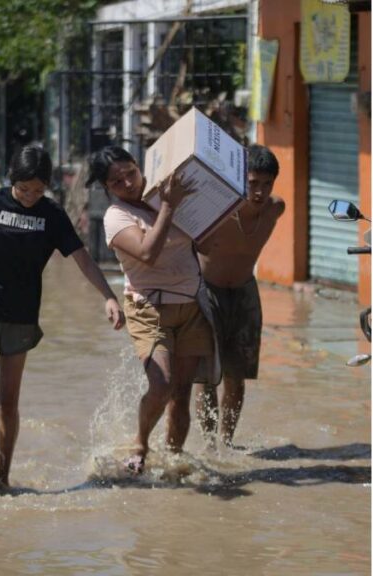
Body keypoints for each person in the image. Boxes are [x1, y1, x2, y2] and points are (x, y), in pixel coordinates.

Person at [0, 144, 125, 488]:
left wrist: (108, 296)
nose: (30, 196)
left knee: (9, 401)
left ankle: (3, 475)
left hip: (21, 315)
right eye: (23, 188)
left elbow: (83, 260)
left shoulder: (52, 215)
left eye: (38, 190)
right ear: (11, 180)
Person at [89, 145, 214, 474]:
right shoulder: (117, 217)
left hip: (190, 306)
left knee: (181, 395)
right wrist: (170, 208)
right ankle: (140, 443)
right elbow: (148, 253)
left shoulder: (165, 196)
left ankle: (173, 462)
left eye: (131, 172)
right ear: (107, 189)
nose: (128, 183)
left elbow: (204, 240)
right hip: (148, 308)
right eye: (117, 182)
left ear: (139, 166)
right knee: (162, 385)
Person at [193, 144, 285, 446]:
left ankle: (226, 443)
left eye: (266, 184)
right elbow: (191, 244)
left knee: (237, 377)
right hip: (209, 293)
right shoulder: (216, 213)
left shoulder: (275, 209)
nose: (259, 191)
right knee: (207, 377)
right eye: (252, 183)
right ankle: (208, 445)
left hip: (245, 293)